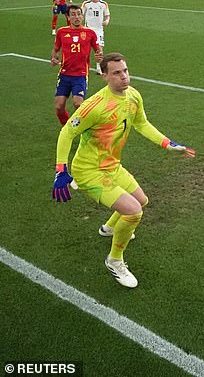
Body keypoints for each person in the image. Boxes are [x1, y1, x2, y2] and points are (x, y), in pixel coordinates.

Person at [52, 53, 196, 288]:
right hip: (90, 171)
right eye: (117, 73)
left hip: (112, 167)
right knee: (133, 212)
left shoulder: (133, 96)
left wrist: (167, 144)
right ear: (104, 75)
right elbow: (67, 132)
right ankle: (114, 260)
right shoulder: (94, 106)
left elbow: (141, 123)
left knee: (142, 200)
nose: (124, 77)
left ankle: (109, 228)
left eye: (125, 71)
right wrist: (61, 170)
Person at [51, 5, 102, 126]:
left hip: (80, 75)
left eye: (79, 14)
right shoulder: (62, 32)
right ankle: (67, 128)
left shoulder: (89, 33)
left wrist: (99, 56)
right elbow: (56, 49)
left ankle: (86, 127)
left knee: (78, 104)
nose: (77, 17)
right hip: (64, 74)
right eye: (73, 14)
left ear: (82, 15)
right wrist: (54, 58)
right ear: (68, 17)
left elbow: (98, 50)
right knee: (59, 106)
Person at [81, 0, 110, 74]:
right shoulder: (86, 4)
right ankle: (82, 66)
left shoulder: (103, 4)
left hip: (99, 30)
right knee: (84, 49)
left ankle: (99, 67)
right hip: (87, 30)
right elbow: (80, 14)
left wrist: (107, 21)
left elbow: (107, 15)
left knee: (99, 48)